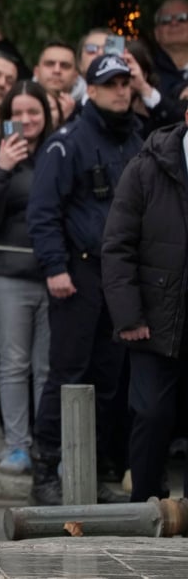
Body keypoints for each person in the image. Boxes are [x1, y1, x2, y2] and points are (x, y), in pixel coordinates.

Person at [26, 54, 143, 506]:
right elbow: (43, 213)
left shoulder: (136, 139)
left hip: (119, 276)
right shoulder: (68, 142)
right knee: (67, 376)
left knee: (107, 380)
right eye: (110, 84)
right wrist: (55, 267)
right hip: (77, 273)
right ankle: (45, 474)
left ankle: (87, 475)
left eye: (124, 83)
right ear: (89, 91)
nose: (120, 90)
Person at [102, 106, 188, 502]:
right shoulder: (146, 167)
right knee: (151, 415)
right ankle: (143, 508)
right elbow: (118, 247)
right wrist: (129, 316)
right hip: (154, 320)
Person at [0, 80, 55, 475]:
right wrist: (3, 169)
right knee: (14, 362)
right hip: (5, 273)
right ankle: (17, 445)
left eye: (33, 113)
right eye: (17, 114)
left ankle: (46, 445)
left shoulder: (58, 151)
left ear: (46, 115)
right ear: (6, 119)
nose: (25, 121)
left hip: (53, 274)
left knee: (46, 366)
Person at [151, 0, 188, 98]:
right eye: (165, 20)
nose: (174, 23)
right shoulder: (146, 71)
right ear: (156, 33)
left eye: (182, 18)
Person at [33, 41, 79, 123]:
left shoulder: (88, 111)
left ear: (75, 76)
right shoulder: (16, 102)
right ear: (36, 72)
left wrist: (70, 120)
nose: (57, 70)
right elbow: (10, 135)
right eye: (49, 64)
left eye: (65, 66)